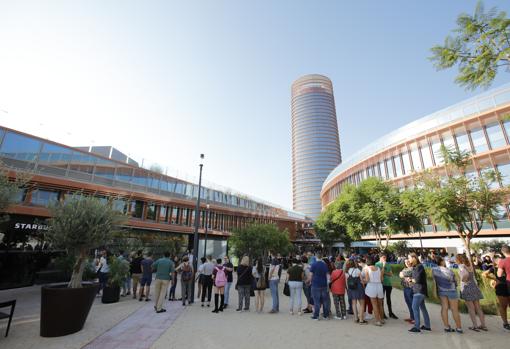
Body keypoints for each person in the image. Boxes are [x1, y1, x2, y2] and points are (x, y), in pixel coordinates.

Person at [432, 257, 463, 333]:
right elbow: (455, 282)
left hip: (441, 290)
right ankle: (459, 328)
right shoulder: (449, 271)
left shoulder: (433, 270)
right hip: (451, 291)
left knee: (444, 308)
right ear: (442, 262)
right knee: (454, 309)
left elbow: (434, 281)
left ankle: (446, 327)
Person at [457, 254, 486, 331]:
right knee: (478, 307)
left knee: (471, 308)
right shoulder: (469, 265)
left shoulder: (461, 266)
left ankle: (475, 326)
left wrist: (463, 280)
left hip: (467, 287)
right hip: (474, 287)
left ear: (458, 260)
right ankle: (483, 325)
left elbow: (465, 275)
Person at [484, 252, 510, 331]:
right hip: (501, 287)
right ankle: (505, 323)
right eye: (498, 260)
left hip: (504, 286)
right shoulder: (494, 268)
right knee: (503, 306)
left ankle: (506, 323)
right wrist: (494, 279)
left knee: (505, 306)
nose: (500, 261)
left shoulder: (502, 265)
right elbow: (484, 274)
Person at [408, 253, 431, 333]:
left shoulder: (419, 267)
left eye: (410, 258)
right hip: (419, 290)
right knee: (423, 308)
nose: (409, 260)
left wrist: (410, 280)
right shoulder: (416, 267)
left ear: (414, 258)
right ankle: (427, 326)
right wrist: (411, 279)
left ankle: (417, 327)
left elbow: (417, 280)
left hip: (419, 291)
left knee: (414, 307)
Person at [362, 257, 384, 326]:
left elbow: (367, 280)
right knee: (380, 304)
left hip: (372, 286)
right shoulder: (379, 268)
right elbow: (382, 279)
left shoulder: (366, 269)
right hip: (379, 286)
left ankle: (378, 321)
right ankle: (382, 319)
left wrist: (362, 281)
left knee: (374, 304)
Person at [309, 253, 330, 320]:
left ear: (316, 257)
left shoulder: (313, 264)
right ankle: (325, 315)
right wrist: (328, 282)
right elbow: (327, 275)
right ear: (321, 257)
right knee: (325, 300)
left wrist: (309, 281)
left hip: (315, 284)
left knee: (316, 301)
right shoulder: (324, 265)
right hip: (324, 284)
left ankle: (316, 316)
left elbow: (311, 275)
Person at [375, 253, 397, 319]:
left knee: (388, 298)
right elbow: (379, 274)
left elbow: (391, 274)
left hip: (388, 283)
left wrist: (384, 272)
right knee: (381, 299)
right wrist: (383, 267)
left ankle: (390, 312)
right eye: (384, 257)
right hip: (382, 284)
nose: (385, 258)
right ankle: (382, 313)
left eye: (386, 257)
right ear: (380, 257)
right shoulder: (377, 264)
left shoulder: (388, 264)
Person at [346, 259, 365, 324]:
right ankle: (361, 320)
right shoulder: (357, 270)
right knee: (362, 304)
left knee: (354, 303)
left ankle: (356, 318)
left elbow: (346, 282)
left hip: (351, 288)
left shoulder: (347, 271)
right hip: (359, 288)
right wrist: (364, 286)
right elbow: (362, 281)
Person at [399, 259, 414, 324]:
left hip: (410, 287)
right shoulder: (405, 268)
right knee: (408, 302)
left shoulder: (412, 268)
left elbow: (402, 275)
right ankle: (411, 317)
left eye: (408, 261)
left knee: (411, 302)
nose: (407, 263)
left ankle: (414, 318)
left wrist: (402, 274)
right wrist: (402, 274)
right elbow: (400, 275)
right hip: (405, 287)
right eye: (405, 262)